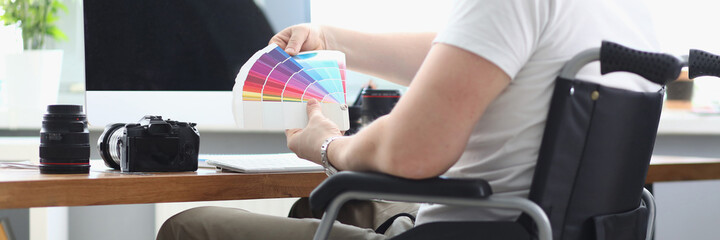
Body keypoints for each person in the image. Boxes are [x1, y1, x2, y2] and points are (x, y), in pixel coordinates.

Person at [157, 0, 661, 239]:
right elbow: (465, 59)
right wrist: (333, 39)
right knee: (333, 206)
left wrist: (329, 146)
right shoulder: (630, 16)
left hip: (473, 235)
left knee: (190, 228)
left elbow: (411, 153)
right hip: (538, 228)